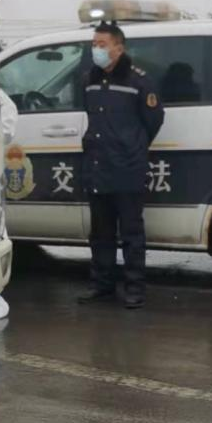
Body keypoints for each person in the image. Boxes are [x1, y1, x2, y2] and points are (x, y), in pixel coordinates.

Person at [77, 21, 165, 309]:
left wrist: (133, 146)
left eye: (102, 45)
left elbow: (153, 120)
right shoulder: (89, 79)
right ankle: (101, 285)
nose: (96, 50)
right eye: (94, 44)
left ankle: (134, 287)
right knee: (100, 234)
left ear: (119, 48)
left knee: (131, 233)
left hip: (127, 168)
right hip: (98, 166)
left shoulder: (138, 81)